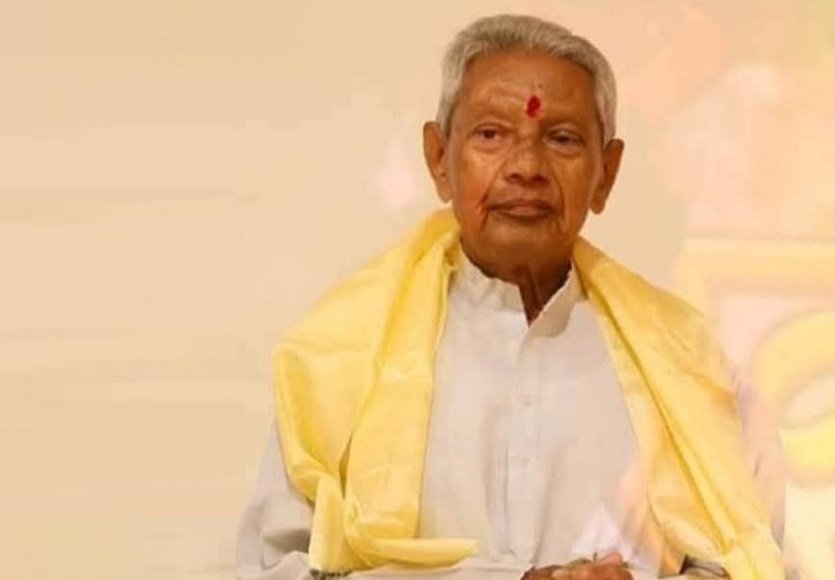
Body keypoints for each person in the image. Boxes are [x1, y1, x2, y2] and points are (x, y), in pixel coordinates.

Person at [236, 14, 787, 580]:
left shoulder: (687, 364)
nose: (526, 167)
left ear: (606, 174)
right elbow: (274, 569)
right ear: (438, 159)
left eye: (562, 138)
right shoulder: (338, 357)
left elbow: (750, 563)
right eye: (491, 135)